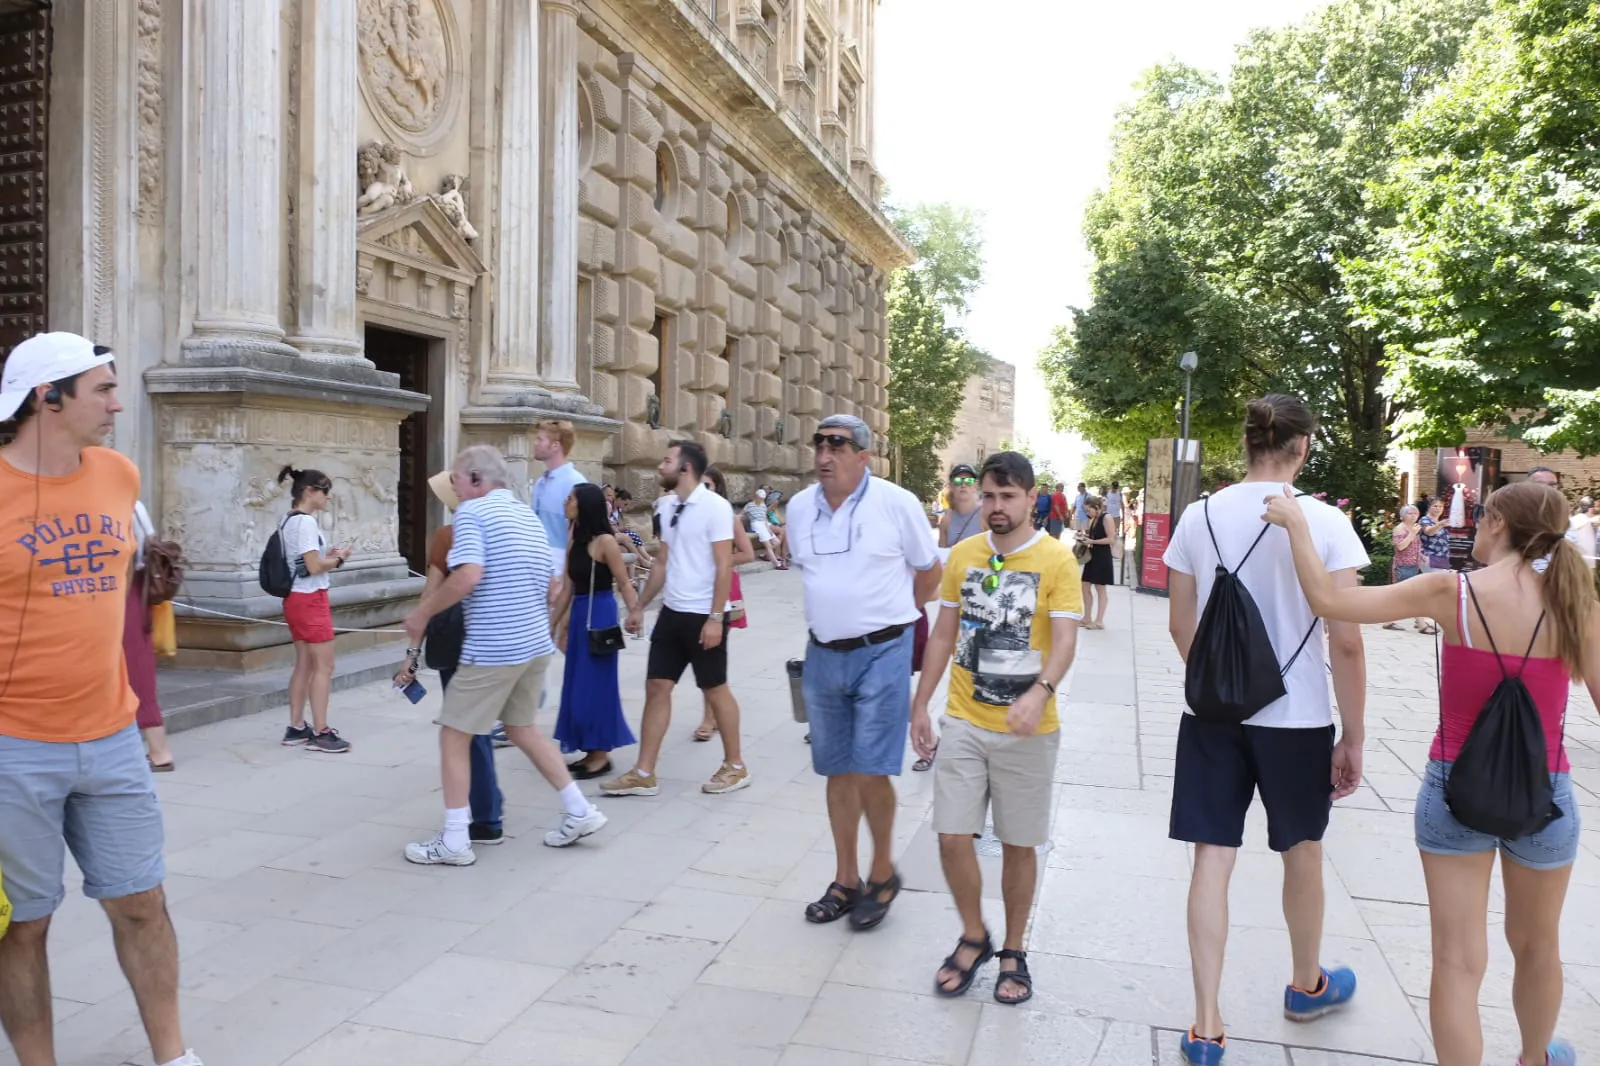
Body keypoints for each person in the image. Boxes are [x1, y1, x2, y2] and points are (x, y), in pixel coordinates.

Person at [1263, 479, 1595, 1066]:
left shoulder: (1452, 591)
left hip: (1453, 790)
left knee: (1457, 961)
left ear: (1496, 524)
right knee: (1539, 947)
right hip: (1545, 795)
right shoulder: (1577, 602)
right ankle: (1536, 1059)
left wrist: (1297, 526)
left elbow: (1331, 602)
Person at [0, 332, 205, 1066]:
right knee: (21, 925)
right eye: (103, 390)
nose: (120, 403)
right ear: (46, 398)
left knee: (142, 904)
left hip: (113, 737)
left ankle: (174, 1056)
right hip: (13, 748)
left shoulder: (118, 474)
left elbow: (121, 574)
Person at [1163, 394, 1369, 1066]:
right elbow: (1345, 640)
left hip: (1214, 718)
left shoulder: (1198, 516)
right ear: (1303, 446)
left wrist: (1224, 685)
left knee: (1211, 859)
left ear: (1246, 441)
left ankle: (1205, 1025)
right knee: (1301, 851)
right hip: (1299, 716)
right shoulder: (1324, 522)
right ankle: (1306, 985)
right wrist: (1354, 735)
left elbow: (1179, 623)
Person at [911, 450, 1080, 1005]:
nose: (996, 507)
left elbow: (1065, 642)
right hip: (964, 717)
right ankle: (973, 934)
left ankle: (1013, 949)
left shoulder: (1056, 560)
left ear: (1032, 499)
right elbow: (942, 635)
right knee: (952, 836)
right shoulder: (964, 554)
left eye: (1008, 497)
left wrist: (1040, 693)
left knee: (1017, 844)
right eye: (989, 496)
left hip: (1028, 728)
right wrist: (921, 705)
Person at [400, 445, 608, 864]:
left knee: (454, 735)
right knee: (522, 728)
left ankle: (455, 840)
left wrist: (422, 612)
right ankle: (580, 810)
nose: (455, 490)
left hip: (495, 645)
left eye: (457, 480)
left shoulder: (474, 515)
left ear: (476, 479)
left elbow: (469, 576)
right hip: (532, 644)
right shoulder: (525, 515)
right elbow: (551, 581)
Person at [787, 414, 942, 931]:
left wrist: (899, 618)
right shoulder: (799, 508)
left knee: (872, 767)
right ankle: (845, 877)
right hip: (823, 653)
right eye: (819, 444)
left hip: (884, 650)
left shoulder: (895, 504)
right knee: (836, 769)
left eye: (838, 445)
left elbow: (930, 572)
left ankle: (881, 874)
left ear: (863, 456)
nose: (825, 455)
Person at [602, 440, 751, 797]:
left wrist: (716, 618)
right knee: (657, 686)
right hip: (673, 612)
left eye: (666, 460)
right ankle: (643, 771)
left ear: (685, 468)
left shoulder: (715, 508)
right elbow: (663, 563)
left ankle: (735, 765)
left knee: (714, 689)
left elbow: (723, 565)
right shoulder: (667, 506)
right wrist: (638, 606)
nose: (659, 466)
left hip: (705, 615)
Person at [421, 470, 505, 847]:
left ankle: (484, 817)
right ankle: (488, 804)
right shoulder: (501, 530)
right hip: (495, 635)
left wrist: (411, 650)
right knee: (480, 726)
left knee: (464, 731)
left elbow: (431, 594)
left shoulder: (448, 537)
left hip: (457, 638)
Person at [550, 483, 643, 779]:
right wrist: (551, 623)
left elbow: (624, 581)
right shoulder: (573, 538)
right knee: (578, 684)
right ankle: (591, 749)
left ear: (585, 505)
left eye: (571, 498)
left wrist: (635, 611)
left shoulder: (605, 542)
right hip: (580, 613)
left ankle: (601, 755)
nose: (567, 502)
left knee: (596, 686)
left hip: (600, 614)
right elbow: (567, 588)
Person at [276, 466, 353, 753]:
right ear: (309, 491)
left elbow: (304, 564)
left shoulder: (287, 520)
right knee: (324, 666)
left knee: (304, 664)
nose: (328, 498)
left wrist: (325, 557)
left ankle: (296, 726)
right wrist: (339, 559)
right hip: (311, 598)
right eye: (325, 491)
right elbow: (312, 566)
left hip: (295, 598)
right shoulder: (306, 523)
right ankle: (321, 731)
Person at [690, 465, 754, 744]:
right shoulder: (685, 514)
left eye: (708, 486)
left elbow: (747, 553)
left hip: (723, 588)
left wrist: (719, 562)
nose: (703, 491)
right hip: (692, 593)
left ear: (717, 488)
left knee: (712, 652)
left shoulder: (724, 513)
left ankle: (710, 716)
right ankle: (712, 713)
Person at [129, 501, 174, 772]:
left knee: (136, 671)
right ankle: (156, 749)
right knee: (138, 669)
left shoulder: (123, 502)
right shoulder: (136, 504)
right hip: (139, 590)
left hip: (127, 590)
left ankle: (159, 751)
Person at [532, 419, 587, 555]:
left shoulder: (576, 483)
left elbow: (582, 532)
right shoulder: (541, 481)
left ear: (555, 446)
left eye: (540, 439)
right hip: (539, 559)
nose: (535, 443)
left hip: (561, 561)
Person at [1387, 504, 1432, 634]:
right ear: (1402, 516)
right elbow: (1400, 547)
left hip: (1414, 565)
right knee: (1413, 595)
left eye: (1415, 513)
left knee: (1400, 595)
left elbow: (1415, 546)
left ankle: (1389, 620)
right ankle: (1422, 624)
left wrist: (1422, 557)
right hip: (1404, 565)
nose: (1413, 516)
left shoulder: (1413, 528)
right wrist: (1412, 534)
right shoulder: (1400, 529)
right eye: (1410, 513)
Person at [1077, 495, 1115, 629]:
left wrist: (1092, 541)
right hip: (1093, 556)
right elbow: (1095, 536)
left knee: (1100, 588)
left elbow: (1111, 539)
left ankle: (1099, 621)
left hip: (1102, 556)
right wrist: (1084, 538)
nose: (1088, 513)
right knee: (1085, 585)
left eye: (1089, 510)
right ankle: (1087, 617)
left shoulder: (1107, 518)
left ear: (1097, 507)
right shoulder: (1095, 519)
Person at [938, 463, 985, 549]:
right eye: (958, 481)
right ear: (951, 486)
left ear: (975, 486)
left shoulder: (985, 517)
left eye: (969, 481)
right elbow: (942, 558)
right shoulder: (945, 521)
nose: (963, 485)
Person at [743, 488, 781, 567]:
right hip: (756, 524)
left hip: (763, 524)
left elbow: (764, 518)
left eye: (762, 499)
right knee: (768, 545)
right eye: (759, 498)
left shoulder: (763, 506)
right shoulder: (749, 505)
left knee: (777, 542)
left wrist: (769, 529)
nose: (760, 500)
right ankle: (777, 563)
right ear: (756, 497)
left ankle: (765, 555)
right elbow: (742, 514)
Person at [1419, 496, 1453, 575]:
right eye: (1435, 506)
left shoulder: (1439, 522)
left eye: (1440, 506)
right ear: (1429, 507)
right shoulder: (1424, 519)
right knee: (1434, 585)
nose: (1438, 508)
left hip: (1442, 559)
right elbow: (1429, 532)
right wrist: (1440, 524)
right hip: (1430, 558)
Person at [1565, 496, 1597, 572]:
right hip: (1581, 562)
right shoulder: (1580, 518)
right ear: (1590, 509)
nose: (1594, 510)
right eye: (1593, 508)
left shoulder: (1586, 520)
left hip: (1587, 562)